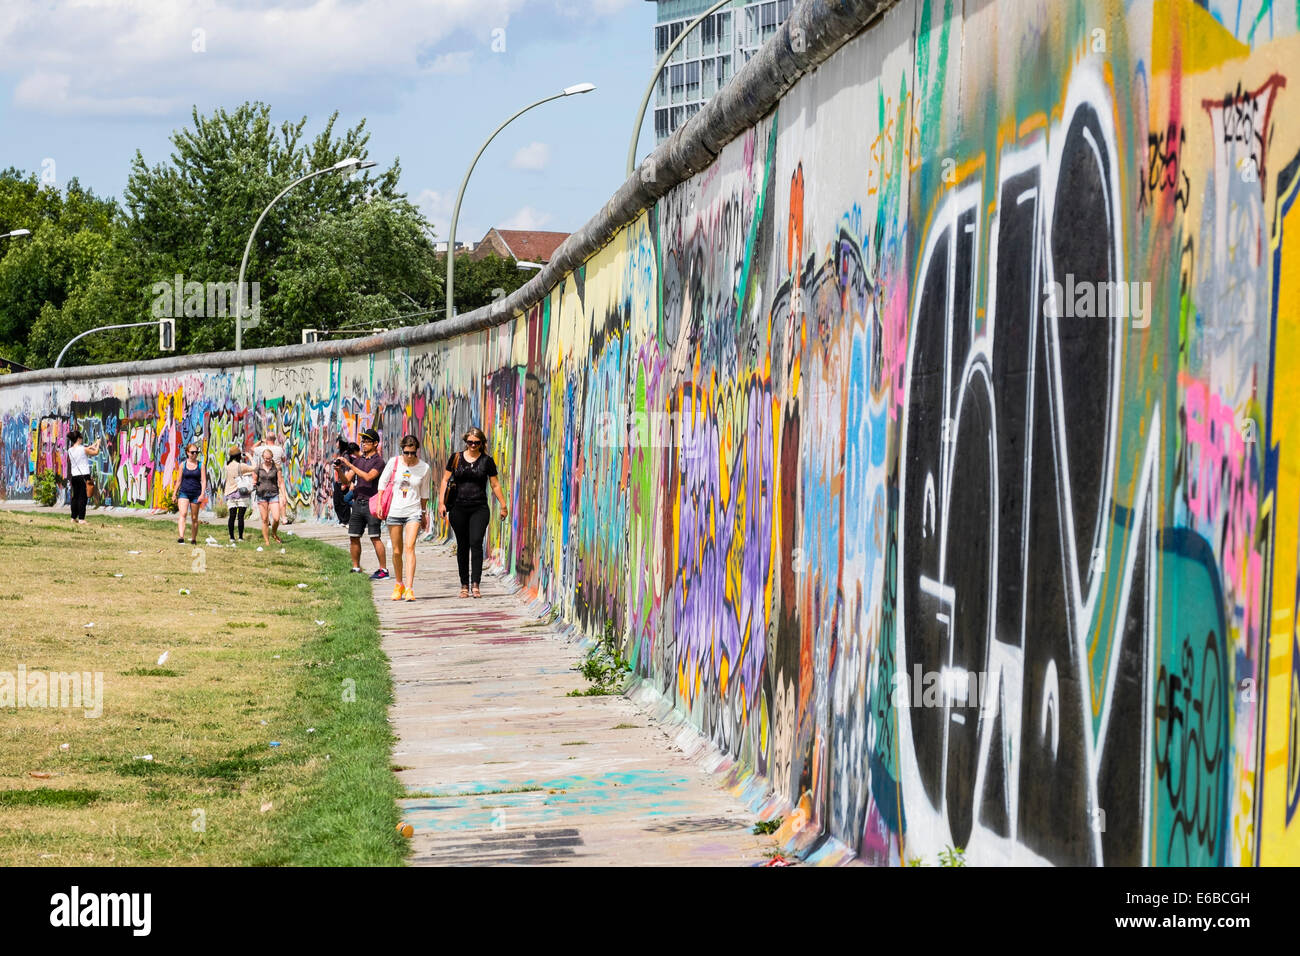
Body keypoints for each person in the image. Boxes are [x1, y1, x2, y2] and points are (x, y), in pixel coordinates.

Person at [437, 427, 508, 599]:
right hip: (458, 507)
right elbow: (445, 480)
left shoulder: (487, 461)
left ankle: (476, 584)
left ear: (481, 443)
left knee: (476, 543)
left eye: (476, 443)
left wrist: (503, 505)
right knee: (463, 545)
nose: (473, 445)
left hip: (479, 508)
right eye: (470, 442)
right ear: (466, 442)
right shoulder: (456, 458)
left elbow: (495, 484)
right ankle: (464, 585)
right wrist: (441, 503)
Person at [379, 435, 433, 602]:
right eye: (406, 452)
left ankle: (409, 588)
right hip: (394, 511)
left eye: (413, 453)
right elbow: (382, 483)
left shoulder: (424, 468)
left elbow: (424, 494)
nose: (409, 456)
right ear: (402, 450)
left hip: (413, 512)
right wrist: (380, 503)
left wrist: (423, 514)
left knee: (410, 547)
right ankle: (398, 584)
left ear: (417, 451)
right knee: (397, 551)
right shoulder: (394, 463)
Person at [336, 428, 389, 578]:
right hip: (358, 502)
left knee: (374, 537)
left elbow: (368, 477)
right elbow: (347, 481)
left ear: (375, 444)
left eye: (367, 442)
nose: (364, 444)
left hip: (372, 503)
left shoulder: (378, 462)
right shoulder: (359, 461)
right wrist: (340, 470)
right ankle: (356, 567)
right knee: (353, 536)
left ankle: (383, 570)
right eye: (363, 441)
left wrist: (351, 465)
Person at [66, 428, 103, 525]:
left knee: (75, 497)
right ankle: (81, 518)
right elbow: (95, 452)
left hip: (74, 476)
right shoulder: (83, 449)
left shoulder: (70, 450)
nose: (82, 439)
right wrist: (98, 443)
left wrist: (93, 444)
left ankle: (73, 517)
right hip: (84, 476)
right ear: (78, 438)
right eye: (81, 437)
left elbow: (86, 449)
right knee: (83, 497)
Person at [174, 441, 206, 544]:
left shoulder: (201, 465)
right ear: (187, 453)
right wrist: (174, 493)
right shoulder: (183, 465)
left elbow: (204, 480)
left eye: (196, 452)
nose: (195, 454)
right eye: (192, 452)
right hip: (184, 492)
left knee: (194, 517)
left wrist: (202, 494)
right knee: (183, 513)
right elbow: (178, 480)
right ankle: (181, 537)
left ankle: (193, 539)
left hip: (196, 493)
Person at [223, 449, 256, 544]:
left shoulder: (227, 466)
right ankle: (240, 537)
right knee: (240, 516)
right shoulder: (241, 466)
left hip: (229, 493)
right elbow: (254, 467)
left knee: (232, 516)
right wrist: (249, 456)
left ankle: (232, 537)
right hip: (241, 493)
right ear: (239, 455)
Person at [254, 448, 284, 547]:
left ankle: (274, 533)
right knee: (265, 519)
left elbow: (280, 481)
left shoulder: (276, 468)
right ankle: (267, 541)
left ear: (272, 458)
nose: (268, 460)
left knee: (276, 518)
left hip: (273, 495)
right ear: (263, 458)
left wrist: (283, 495)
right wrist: (253, 483)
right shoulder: (258, 468)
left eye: (269, 458)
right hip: (261, 496)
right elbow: (254, 479)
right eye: (266, 458)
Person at [332, 436, 353, 525]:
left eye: (337, 442)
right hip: (338, 481)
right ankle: (341, 520)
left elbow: (347, 468)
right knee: (337, 501)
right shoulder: (341, 454)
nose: (336, 444)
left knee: (343, 502)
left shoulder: (346, 455)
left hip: (343, 481)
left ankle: (345, 520)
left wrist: (345, 483)